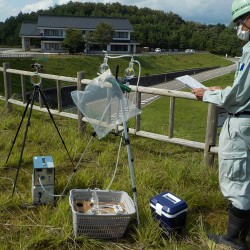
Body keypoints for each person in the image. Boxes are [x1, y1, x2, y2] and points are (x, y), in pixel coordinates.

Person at [192, 0, 250, 249]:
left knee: (237, 181)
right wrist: (222, 88)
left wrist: (206, 94)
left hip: (243, 124)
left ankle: (233, 241)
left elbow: (236, 98)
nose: (240, 28)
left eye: (241, 22)